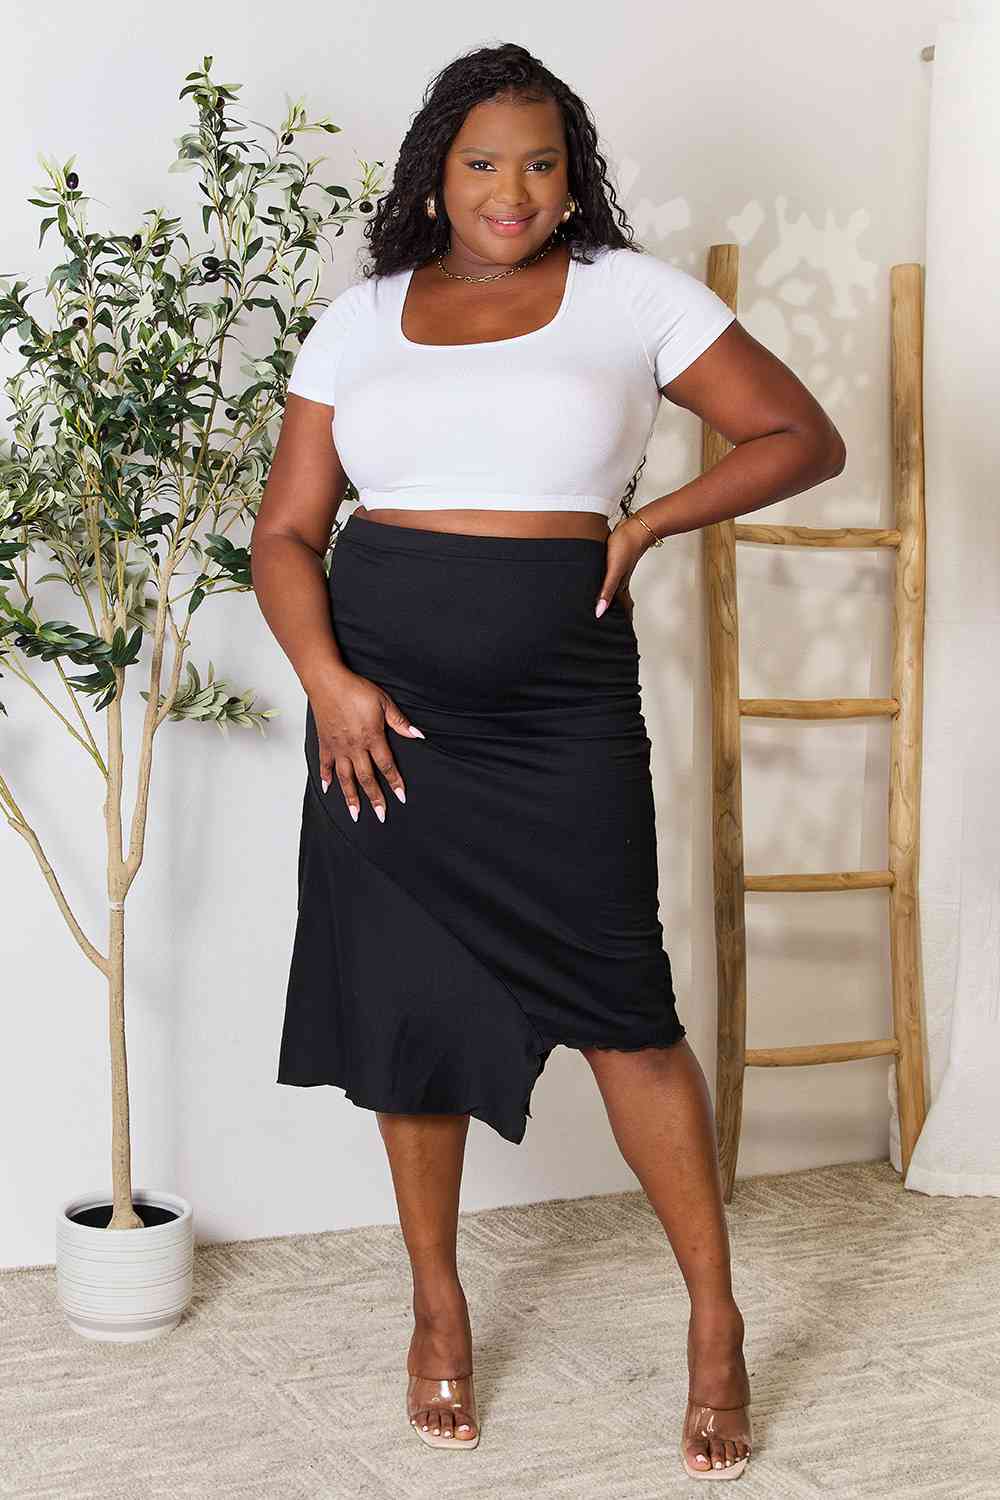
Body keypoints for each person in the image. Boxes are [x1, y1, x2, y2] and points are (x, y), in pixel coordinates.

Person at [251, 42, 845, 1480]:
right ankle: (438, 1309)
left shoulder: (632, 297)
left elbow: (799, 435)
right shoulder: (359, 321)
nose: (509, 190)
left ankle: (716, 1323)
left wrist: (647, 523)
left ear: (570, 178)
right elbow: (285, 533)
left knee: (626, 1009)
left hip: (558, 716)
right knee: (408, 1011)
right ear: (434, 178)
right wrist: (328, 683)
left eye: (538, 163)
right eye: (480, 163)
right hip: (380, 723)